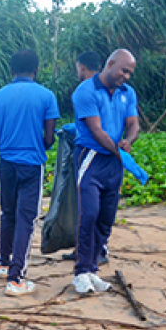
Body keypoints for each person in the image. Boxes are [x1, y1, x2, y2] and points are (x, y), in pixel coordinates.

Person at [0, 49, 60, 296]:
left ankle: (3, 263)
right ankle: (16, 278)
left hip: (6, 163)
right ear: (36, 70)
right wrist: (40, 143)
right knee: (26, 219)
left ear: (11, 70)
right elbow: (49, 137)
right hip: (31, 164)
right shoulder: (46, 96)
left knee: (7, 213)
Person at [71, 49, 140, 294]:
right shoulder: (86, 91)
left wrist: (128, 141)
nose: (127, 76)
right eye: (124, 70)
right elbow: (96, 130)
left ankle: (92, 270)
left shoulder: (127, 93)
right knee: (88, 214)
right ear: (110, 64)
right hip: (91, 158)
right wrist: (118, 151)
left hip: (114, 161)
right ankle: (80, 272)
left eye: (130, 73)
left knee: (106, 217)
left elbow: (133, 124)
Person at [62, 51, 110, 264]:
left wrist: (73, 130)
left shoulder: (85, 90)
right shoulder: (108, 88)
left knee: (90, 205)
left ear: (81, 67)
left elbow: (95, 127)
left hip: (90, 153)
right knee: (93, 203)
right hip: (106, 153)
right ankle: (85, 249)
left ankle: (97, 251)